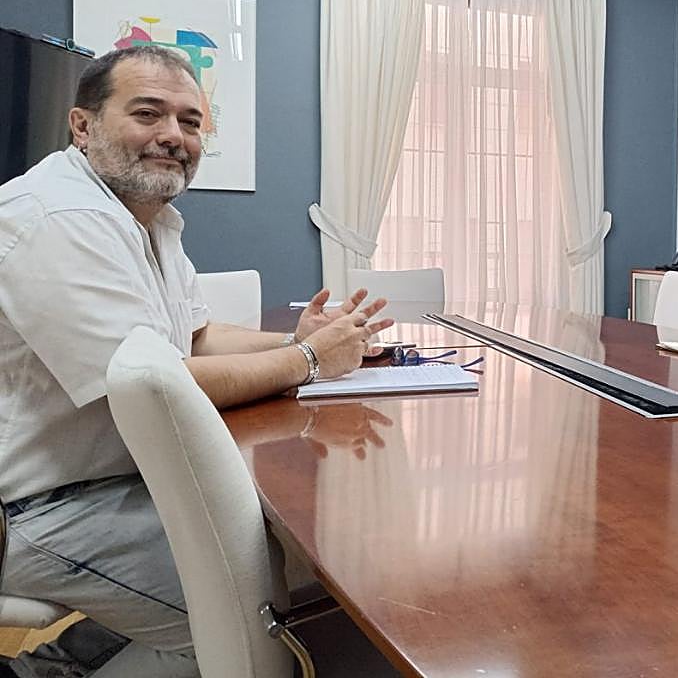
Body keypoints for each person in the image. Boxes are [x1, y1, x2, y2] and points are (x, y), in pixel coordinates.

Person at [0, 45, 393, 677]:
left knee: (298, 559)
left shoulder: (147, 219)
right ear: (82, 125)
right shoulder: (57, 218)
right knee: (269, 630)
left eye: (190, 122)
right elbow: (157, 385)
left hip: (121, 482)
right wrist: (308, 359)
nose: (173, 136)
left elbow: (194, 338)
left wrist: (299, 340)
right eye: (147, 113)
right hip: (40, 508)